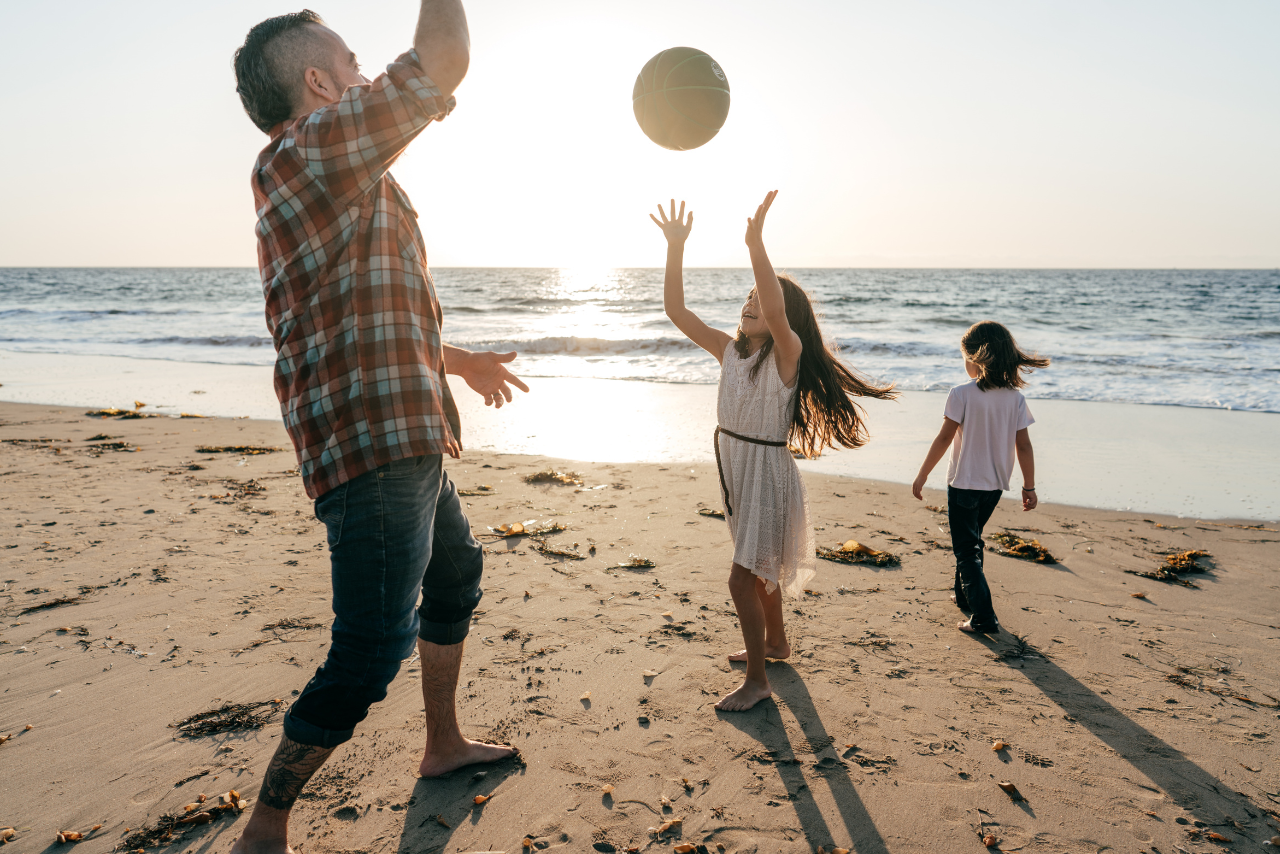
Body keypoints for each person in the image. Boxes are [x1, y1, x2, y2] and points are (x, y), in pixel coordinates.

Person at [230, 5, 527, 852]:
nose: (365, 74)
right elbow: (442, 58)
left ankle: (440, 745)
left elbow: (372, 319)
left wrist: (458, 358)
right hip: (375, 450)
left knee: (456, 574)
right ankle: (265, 827)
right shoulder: (307, 153)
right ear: (318, 84)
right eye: (351, 63)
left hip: (410, 434)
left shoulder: (336, 171)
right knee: (368, 650)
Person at [651, 191, 897, 712]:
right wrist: (676, 248)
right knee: (759, 568)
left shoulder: (788, 356)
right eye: (746, 298)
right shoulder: (728, 352)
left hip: (766, 470)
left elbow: (777, 307)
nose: (751, 304)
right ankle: (777, 643)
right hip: (735, 470)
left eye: (760, 302)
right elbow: (676, 310)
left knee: (743, 577)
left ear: (782, 316)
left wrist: (755, 245)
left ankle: (759, 681)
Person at [911, 320, 1049, 634]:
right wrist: (1029, 486)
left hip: (963, 483)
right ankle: (965, 596)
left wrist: (921, 475)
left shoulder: (962, 394)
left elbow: (944, 439)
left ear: (976, 359)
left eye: (965, 357)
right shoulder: (1014, 398)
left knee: (966, 549)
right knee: (972, 541)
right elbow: (1024, 446)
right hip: (995, 485)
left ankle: (984, 617)